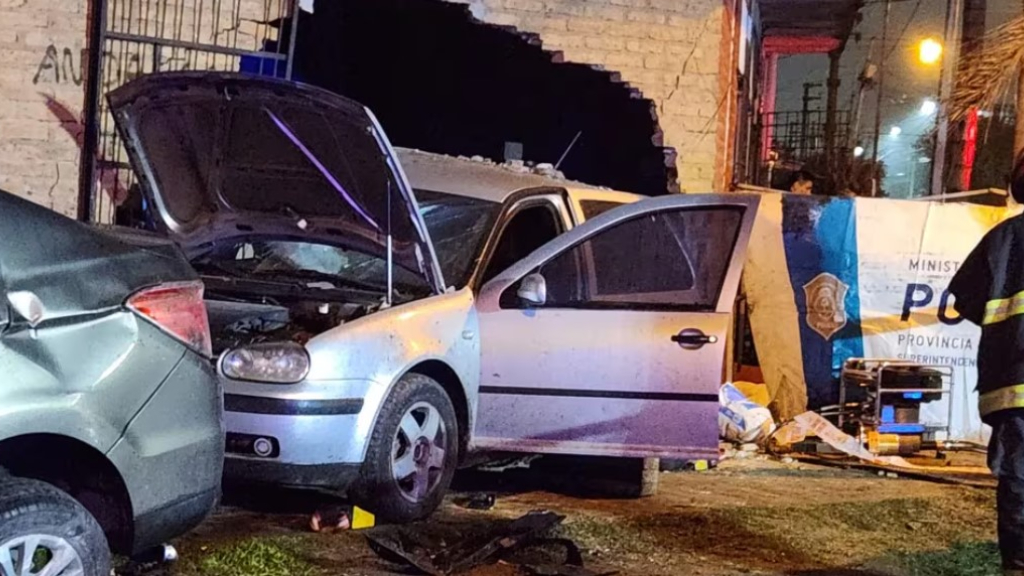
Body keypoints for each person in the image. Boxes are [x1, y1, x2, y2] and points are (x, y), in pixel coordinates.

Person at [948, 151, 1024, 576]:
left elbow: (967, 299)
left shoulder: (1003, 239)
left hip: (1013, 380)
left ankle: (1017, 564)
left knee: (1019, 473)